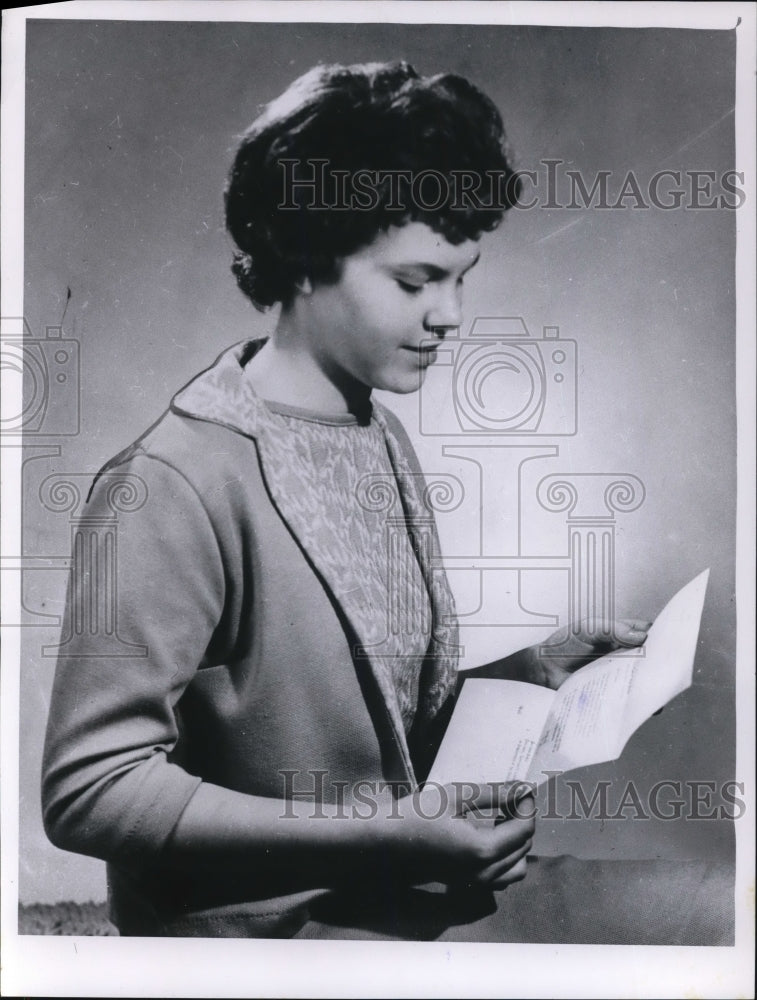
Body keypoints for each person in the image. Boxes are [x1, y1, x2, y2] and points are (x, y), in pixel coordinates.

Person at [41, 61, 729, 942]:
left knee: (724, 913)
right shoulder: (167, 485)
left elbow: (370, 736)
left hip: (407, 890)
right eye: (413, 282)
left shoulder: (375, 435)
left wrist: (533, 674)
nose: (448, 315)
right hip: (283, 935)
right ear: (300, 258)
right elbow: (89, 789)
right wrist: (390, 836)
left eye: (460, 277)